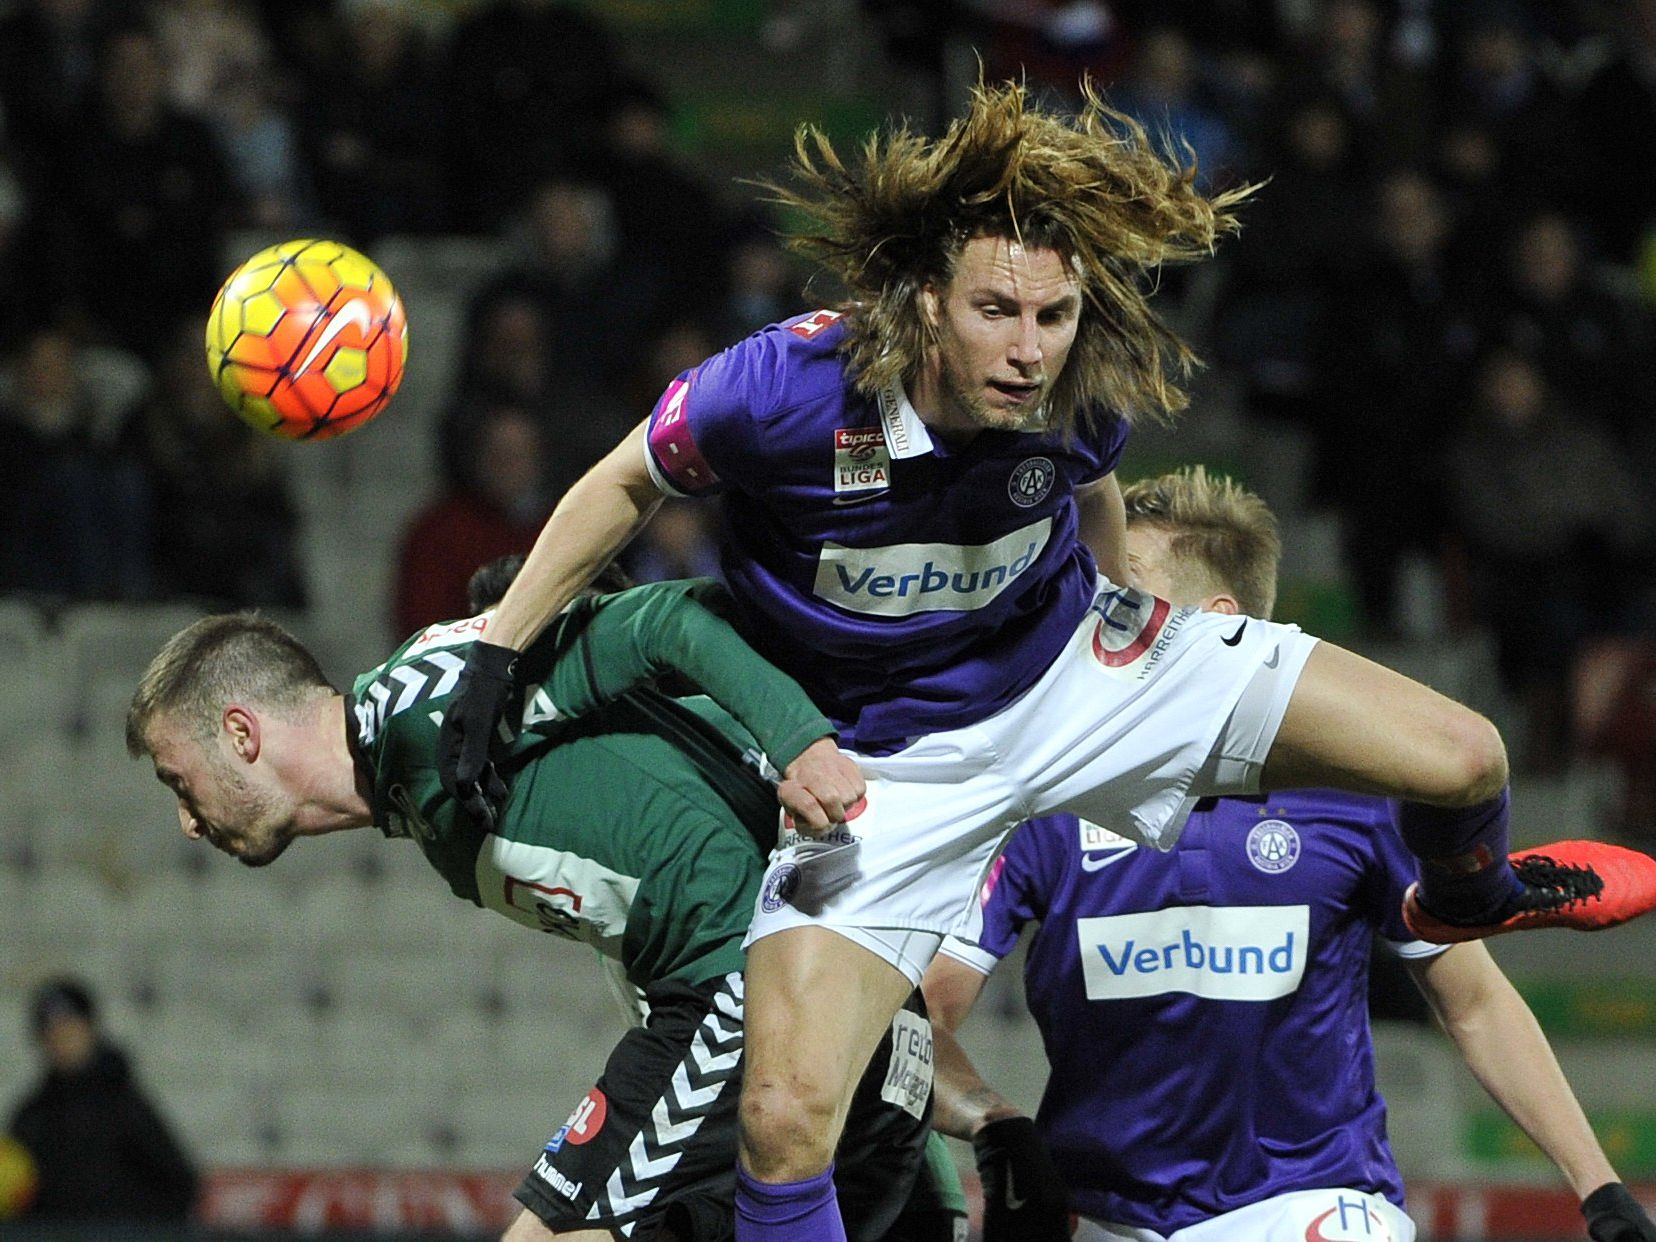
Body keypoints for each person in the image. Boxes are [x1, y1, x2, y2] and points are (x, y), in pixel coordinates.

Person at [432, 79, 1656, 1242]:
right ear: (923, 302)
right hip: (899, 766)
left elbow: (1097, 482)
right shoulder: (785, 386)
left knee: (1464, 756)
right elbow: (630, 477)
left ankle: (1468, 893)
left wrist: (1123, 615)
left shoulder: (1077, 394)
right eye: (997, 311)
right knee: (780, 1120)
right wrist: (500, 651)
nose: (1030, 347)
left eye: (1054, 316)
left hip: (1080, 681)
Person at [920, 467, 1656, 1242]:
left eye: (1124, 587)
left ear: (1216, 623)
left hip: (1312, 1206)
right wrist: (995, 1124)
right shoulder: (1050, 798)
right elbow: (925, 1011)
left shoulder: (1357, 791)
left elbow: (1472, 1003)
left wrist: (1598, 1185)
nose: (1094, 610)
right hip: (1107, 1215)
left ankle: (1486, 879)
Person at [125, 571, 962, 1242]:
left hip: (743, 981)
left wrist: (802, 743)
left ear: (241, 735)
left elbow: (667, 618)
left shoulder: (424, 705)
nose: (187, 823)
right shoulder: (412, 783)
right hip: (777, 994)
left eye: (178, 780)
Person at [6, 977, 199, 1225]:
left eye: (69, 1028)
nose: (61, 1040)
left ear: (89, 1030)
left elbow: (178, 1182)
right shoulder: (33, 1114)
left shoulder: (122, 1104)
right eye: (51, 1033)